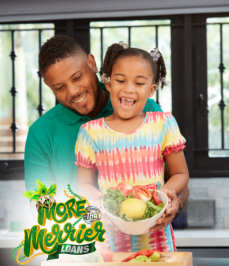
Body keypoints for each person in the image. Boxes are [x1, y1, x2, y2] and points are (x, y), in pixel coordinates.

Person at [24, 35, 189, 230]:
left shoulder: (147, 112)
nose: (73, 91)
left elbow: (177, 179)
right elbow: (41, 206)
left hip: (147, 241)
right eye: (59, 87)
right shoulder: (41, 133)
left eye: (77, 77)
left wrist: (174, 205)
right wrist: (100, 216)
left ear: (91, 63)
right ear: (47, 85)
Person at [75, 42, 189, 252]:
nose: (128, 88)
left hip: (156, 237)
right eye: (120, 80)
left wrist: (162, 197)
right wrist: (100, 202)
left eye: (139, 83)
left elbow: (181, 173)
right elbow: (83, 184)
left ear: (151, 89)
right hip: (109, 239)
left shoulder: (163, 124)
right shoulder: (89, 132)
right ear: (108, 83)